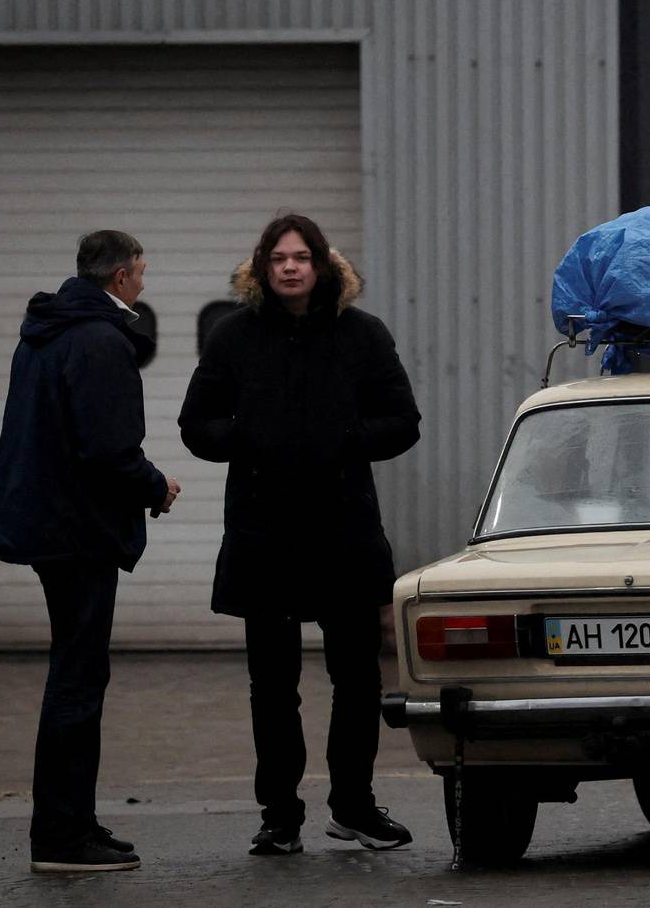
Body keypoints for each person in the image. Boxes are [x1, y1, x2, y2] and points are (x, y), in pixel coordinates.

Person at [179, 214, 420, 857]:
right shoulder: (234, 338)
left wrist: (344, 440)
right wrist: (250, 440)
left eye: (301, 257)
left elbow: (403, 421)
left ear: (322, 266)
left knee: (358, 679)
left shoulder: (363, 336)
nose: (290, 267)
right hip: (265, 534)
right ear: (262, 268)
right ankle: (279, 816)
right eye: (278, 258)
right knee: (272, 686)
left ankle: (354, 807)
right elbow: (195, 423)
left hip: (343, 530)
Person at [0, 230, 182, 875]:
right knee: (77, 681)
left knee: (75, 675)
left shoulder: (46, 332)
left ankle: (71, 819)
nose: (146, 284)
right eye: (144, 273)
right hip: (79, 532)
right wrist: (157, 485)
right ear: (123, 276)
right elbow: (108, 448)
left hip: (51, 525)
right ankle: (62, 839)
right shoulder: (99, 340)